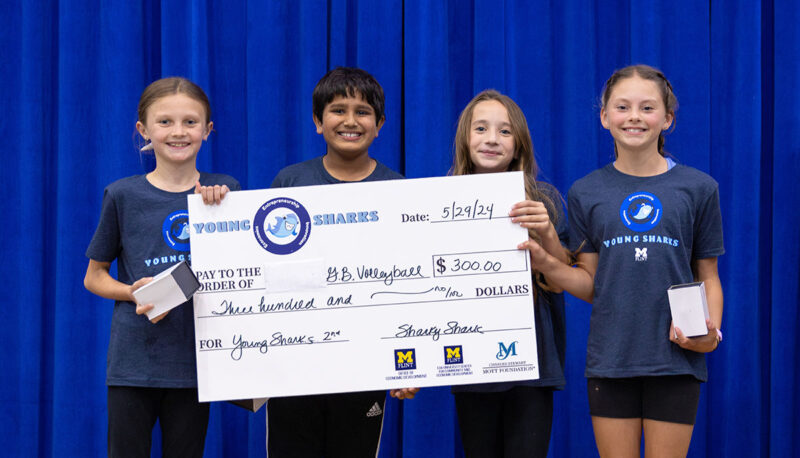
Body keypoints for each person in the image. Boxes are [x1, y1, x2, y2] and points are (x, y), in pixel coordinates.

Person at [522, 64, 724, 457]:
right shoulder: (585, 192)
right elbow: (590, 284)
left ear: (668, 119)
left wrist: (709, 336)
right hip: (610, 362)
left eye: (647, 108)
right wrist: (546, 263)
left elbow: (709, 276)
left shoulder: (699, 188)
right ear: (604, 117)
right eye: (622, 107)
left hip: (676, 362)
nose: (634, 117)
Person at [84, 77, 240, 457]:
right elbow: (94, 276)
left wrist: (224, 206)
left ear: (208, 129)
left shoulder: (226, 191)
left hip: (194, 363)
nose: (178, 132)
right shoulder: (122, 194)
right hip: (134, 363)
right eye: (165, 122)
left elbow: (243, 274)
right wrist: (130, 291)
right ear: (144, 130)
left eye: (190, 122)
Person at [264, 66, 409, 458]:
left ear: (379, 124)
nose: (350, 120)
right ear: (317, 121)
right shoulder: (289, 183)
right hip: (294, 366)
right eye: (337, 110)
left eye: (363, 112)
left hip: (364, 367)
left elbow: (409, 285)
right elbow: (263, 272)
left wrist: (411, 364)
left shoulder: (399, 191)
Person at [449, 89, 570, 457]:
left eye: (504, 131)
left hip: (533, 365)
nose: (491, 139)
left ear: (519, 145)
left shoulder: (544, 200)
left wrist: (547, 231)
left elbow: (563, 280)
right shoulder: (441, 202)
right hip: (472, 364)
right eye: (480, 128)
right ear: (465, 140)